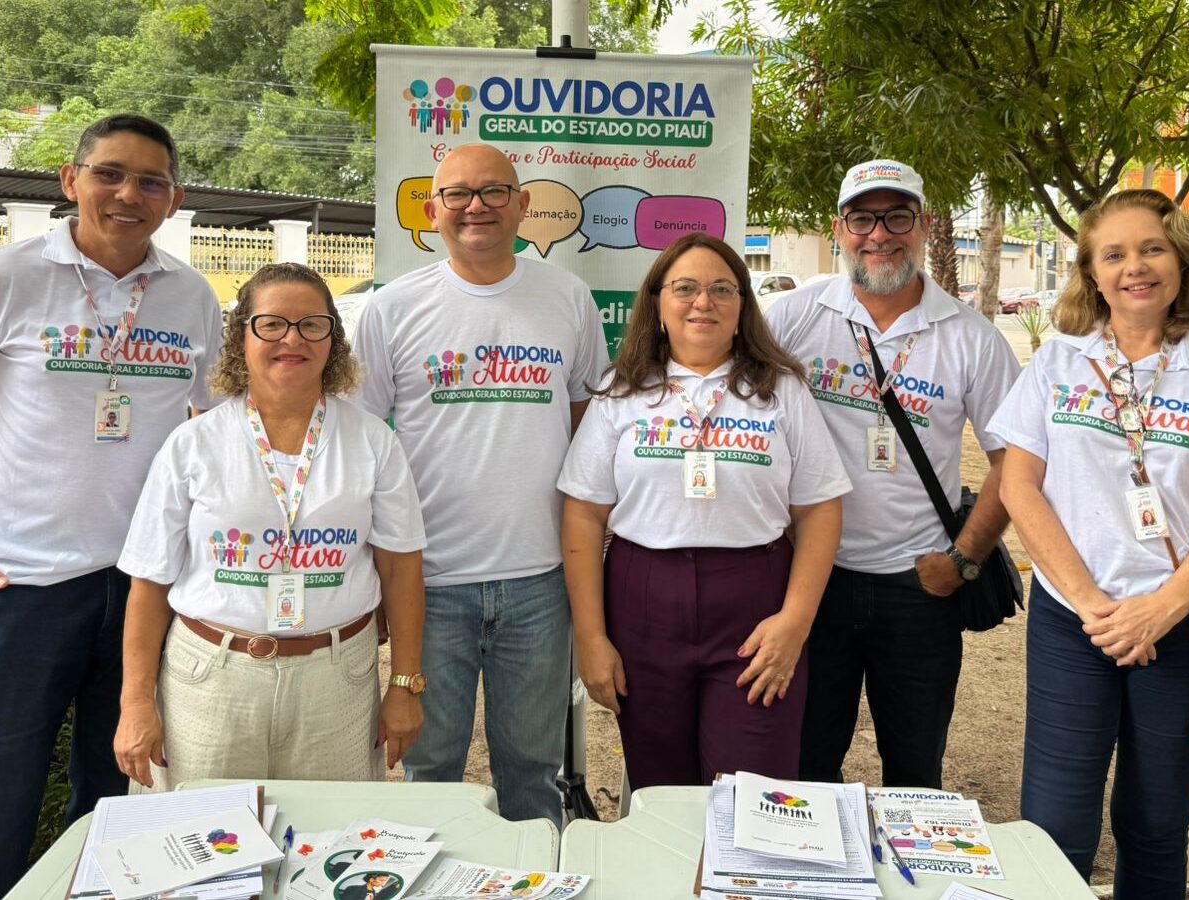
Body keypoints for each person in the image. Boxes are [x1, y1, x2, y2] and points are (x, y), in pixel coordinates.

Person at [0, 114, 223, 897]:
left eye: (151, 181)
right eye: (110, 174)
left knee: (117, 819)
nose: (129, 193)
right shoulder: (3, 277)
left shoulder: (192, 298)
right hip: (20, 589)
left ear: (174, 199)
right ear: (71, 181)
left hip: (144, 591)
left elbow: (217, 429)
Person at [986, 188, 1189, 896]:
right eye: (1114, 254)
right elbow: (1019, 487)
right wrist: (1095, 605)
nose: (1135, 267)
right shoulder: (1058, 364)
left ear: (1180, 261)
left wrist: (1159, 609)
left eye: (1152, 248)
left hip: (1182, 622)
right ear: (1091, 272)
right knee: (1055, 828)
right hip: (1073, 621)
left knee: (1155, 825)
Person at [352, 143, 609, 827]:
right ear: (432, 210)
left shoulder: (569, 298)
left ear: (524, 206)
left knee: (533, 768)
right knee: (431, 766)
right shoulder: (393, 309)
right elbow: (360, 441)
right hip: (428, 586)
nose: (477, 206)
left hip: (541, 582)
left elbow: (590, 427)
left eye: (494, 191)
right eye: (458, 193)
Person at [113, 263, 426, 789]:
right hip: (211, 680)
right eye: (272, 324)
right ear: (241, 337)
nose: (292, 339)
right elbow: (149, 581)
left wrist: (404, 684)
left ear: (333, 338)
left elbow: (401, 569)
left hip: (338, 679)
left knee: (331, 849)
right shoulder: (193, 444)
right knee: (206, 849)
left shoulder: (373, 441)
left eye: (311, 325)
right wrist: (136, 702)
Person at [557, 233, 850, 788]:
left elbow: (819, 510)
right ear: (658, 305)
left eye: (722, 289)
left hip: (754, 599)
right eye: (685, 288)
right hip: (643, 598)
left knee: (751, 792)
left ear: (742, 308)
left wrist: (795, 622)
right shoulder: (621, 393)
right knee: (659, 787)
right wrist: (592, 640)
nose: (703, 302)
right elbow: (583, 515)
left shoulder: (781, 391)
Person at [764, 160, 1021, 788]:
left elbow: (1016, 464)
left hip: (918, 586)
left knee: (913, 769)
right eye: (862, 218)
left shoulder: (971, 337)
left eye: (897, 216)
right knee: (804, 763)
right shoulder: (792, 316)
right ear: (838, 229)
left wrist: (962, 560)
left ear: (925, 225)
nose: (879, 234)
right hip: (810, 581)